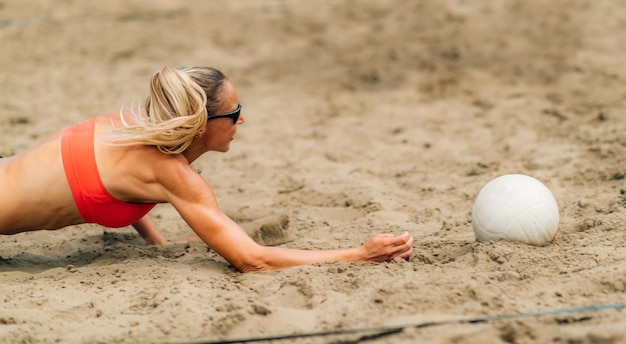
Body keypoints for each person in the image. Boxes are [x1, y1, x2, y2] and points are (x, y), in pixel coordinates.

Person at [0, 66, 413, 272]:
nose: (242, 122)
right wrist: (357, 254)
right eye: (235, 113)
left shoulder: (128, 124)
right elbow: (253, 261)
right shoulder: (173, 174)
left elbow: (119, 184)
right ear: (201, 125)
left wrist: (157, 243)